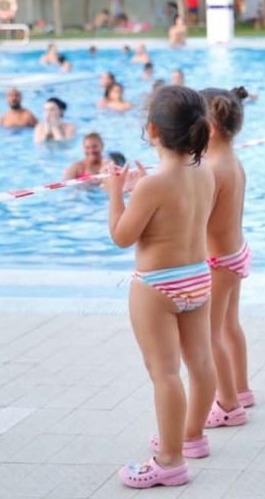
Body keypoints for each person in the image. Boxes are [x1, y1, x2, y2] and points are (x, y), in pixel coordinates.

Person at [103, 85, 216, 488]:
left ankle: (169, 461)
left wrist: (117, 194)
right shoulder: (205, 173)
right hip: (198, 279)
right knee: (200, 362)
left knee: (165, 374)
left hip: (157, 287)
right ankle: (192, 437)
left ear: (152, 130)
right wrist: (137, 191)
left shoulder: (151, 185)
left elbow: (122, 235)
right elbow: (176, 214)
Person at [200, 87, 255, 428]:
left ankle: (229, 405)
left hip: (217, 263)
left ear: (210, 128)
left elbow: (199, 218)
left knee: (211, 334)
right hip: (236, 254)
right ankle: (242, 388)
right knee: (230, 326)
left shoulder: (210, 170)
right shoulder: (231, 162)